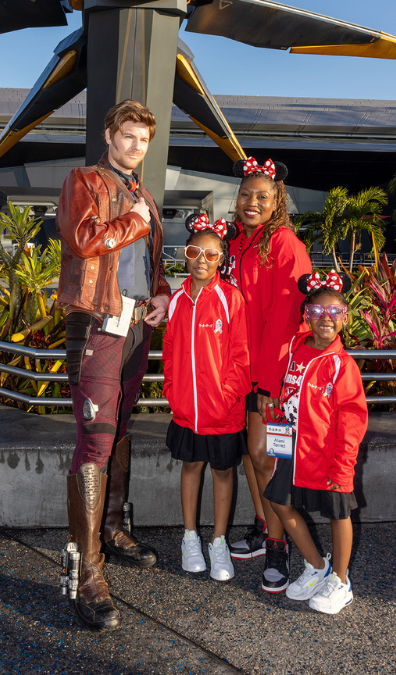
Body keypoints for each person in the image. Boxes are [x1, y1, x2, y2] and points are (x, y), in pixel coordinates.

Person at [57, 99, 172, 631]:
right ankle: (87, 572)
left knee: (121, 429)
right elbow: (83, 241)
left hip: (136, 325)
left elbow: (151, 264)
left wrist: (162, 295)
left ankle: (110, 527)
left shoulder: (143, 195)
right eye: (127, 136)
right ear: (109, 134)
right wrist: (132, 221)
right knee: (95, 442)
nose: (134, 146)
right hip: (99, 325)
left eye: (142, 140)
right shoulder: (86, 180)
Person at [219, 157, 314, 593]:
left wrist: (269, 382)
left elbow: (286, 318)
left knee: (264, 457)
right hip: (237, 370)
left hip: (269, 372)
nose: (251, 202)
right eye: (245, 194)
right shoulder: (238, 242)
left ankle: (279, 546)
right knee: (247, 455)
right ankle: (262, 526)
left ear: (277, 201)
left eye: (262, 196)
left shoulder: (283, 244)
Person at [268, 271, 369, 615]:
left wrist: (344, 465)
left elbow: (353, 419)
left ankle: (341, 581)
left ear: (345, 317)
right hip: (291, 448)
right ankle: (316, 566)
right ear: (306, 315)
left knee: (338, 513)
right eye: (316, 312)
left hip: (328, 455)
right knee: (279, 502)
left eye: (334, 313)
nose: (325, 319)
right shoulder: (297, 348)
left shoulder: (342, 365)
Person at [163, 214, 252, 582]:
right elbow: (169, 351)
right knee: (190, 467)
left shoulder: (231, 299)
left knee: (223, 473)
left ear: (222, 259)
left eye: (211, 254)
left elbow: (241, 357)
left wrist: (226, 398)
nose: (202, 259)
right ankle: (189, 538)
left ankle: (218, 542)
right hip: (187, 412)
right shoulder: (177, 300)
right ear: (185, 255)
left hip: (223, 413)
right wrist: (173, 392)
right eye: (195, 251)